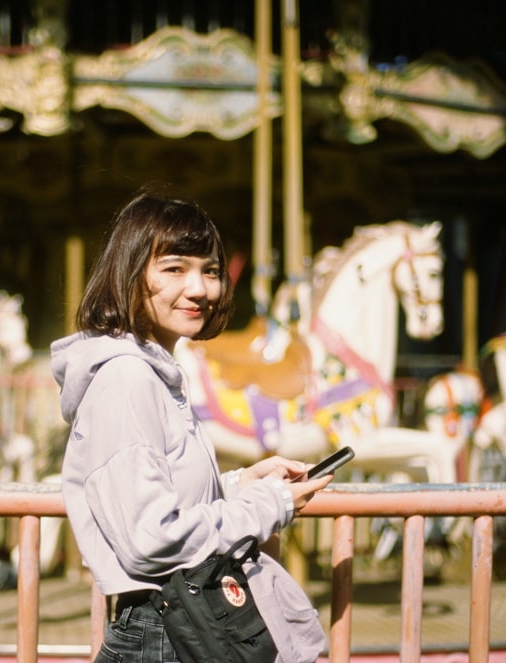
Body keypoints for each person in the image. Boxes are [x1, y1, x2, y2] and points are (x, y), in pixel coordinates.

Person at [51, 187, 332, 663]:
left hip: (179, 621)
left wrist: (242, 483)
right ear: (131, 275)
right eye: (175, 269)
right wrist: (270, 505)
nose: (200, 289)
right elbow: (152, 539)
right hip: (165, 631)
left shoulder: (155, 373)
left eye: (211, 271)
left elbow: (160, 496)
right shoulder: (126, 378)